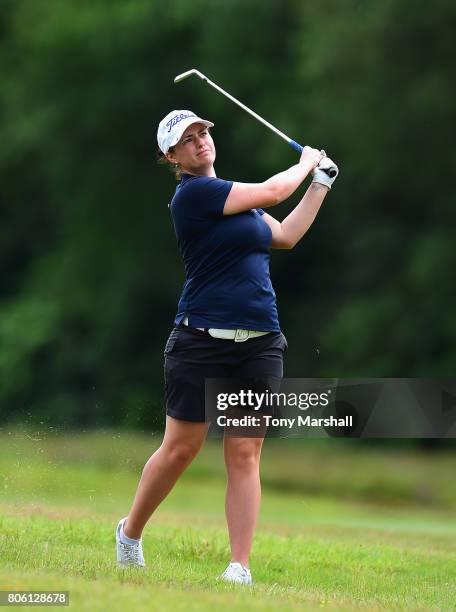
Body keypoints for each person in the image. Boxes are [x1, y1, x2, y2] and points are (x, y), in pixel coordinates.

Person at [116, 109, 339, 584]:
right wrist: (305, 161)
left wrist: (320, 183)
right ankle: (130, 533)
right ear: (171, 156)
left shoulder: (241, 202)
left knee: (244, 453)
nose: (200, 142)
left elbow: (285, 234)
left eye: (203, 133)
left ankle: (239, 567)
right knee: (181, 449)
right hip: (200, 339)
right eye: (187, 140)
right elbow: (278, 190)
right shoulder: (193, 196)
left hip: (259, 342)